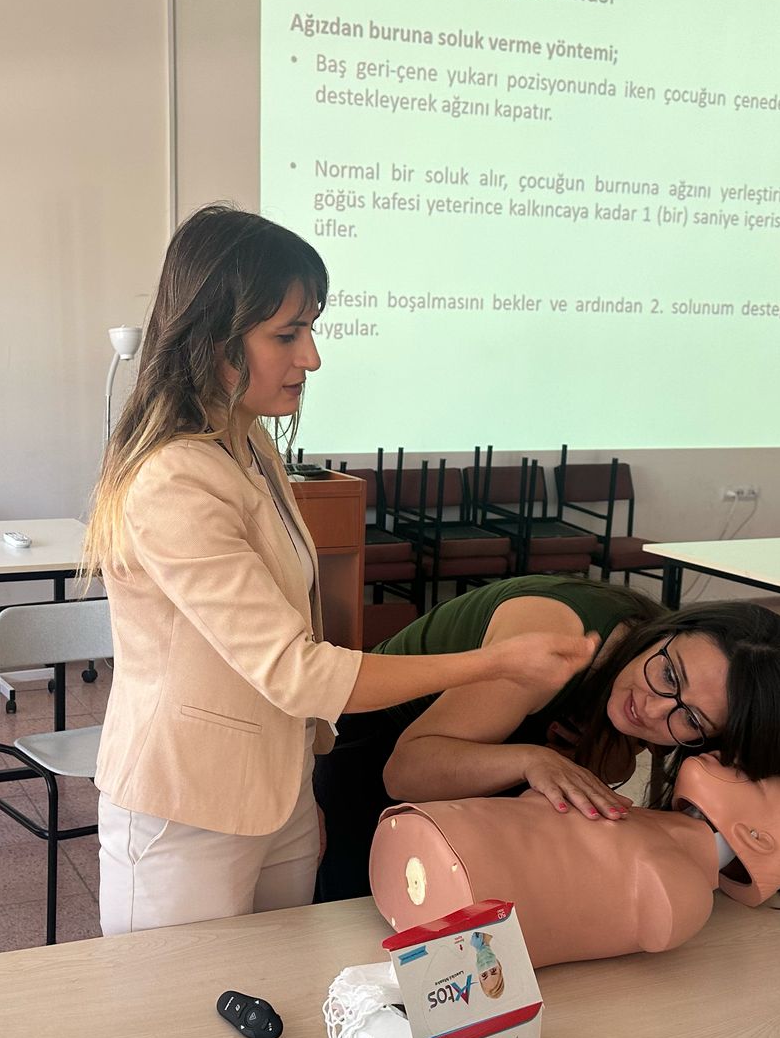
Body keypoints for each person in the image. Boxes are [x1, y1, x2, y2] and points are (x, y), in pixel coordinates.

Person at [84, 208, 595, 935]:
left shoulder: (249, 445)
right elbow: (294, 668)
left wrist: (298, 791)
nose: (312, 358)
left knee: (278, 989)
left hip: (275, 787)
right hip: (186, 806)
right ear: (213, 337)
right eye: (287, 335)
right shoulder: (175, 477)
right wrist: (495, 663)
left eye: (311, 330)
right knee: (175, 1005)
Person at [312, 575, 780, 913]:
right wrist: (533, 758)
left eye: (691, 718)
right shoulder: (555, 642)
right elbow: (405, 771)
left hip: (485, 765)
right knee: (361, 915)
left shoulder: (656, 676)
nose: (653, 709)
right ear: (669, 630)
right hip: (379, 749)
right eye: (669, 675)